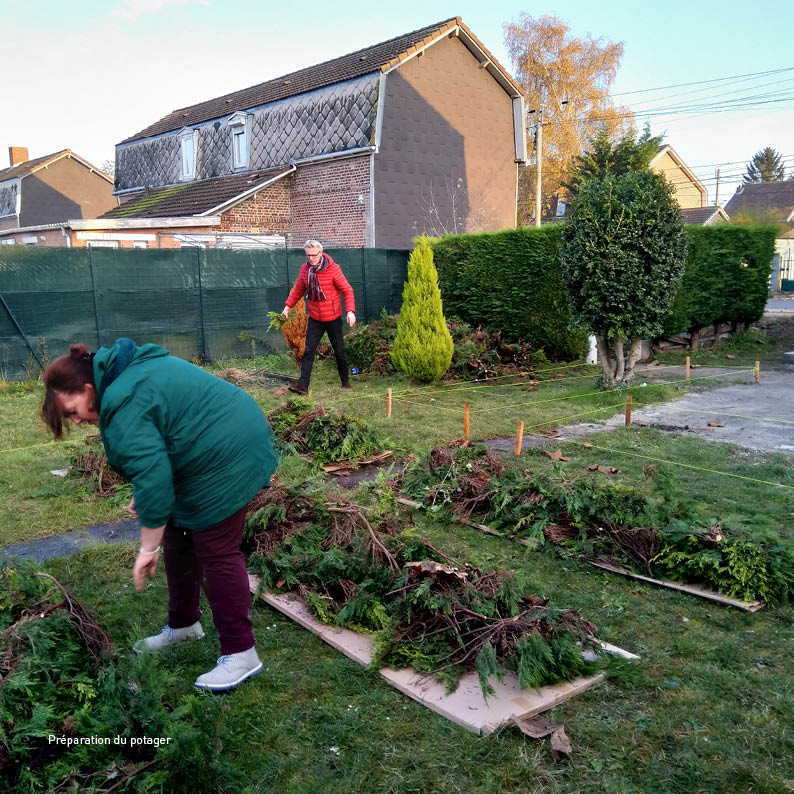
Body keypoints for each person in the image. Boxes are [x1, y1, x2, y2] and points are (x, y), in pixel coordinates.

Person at [41, 338, 278, 692]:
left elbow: (153, 475)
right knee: (179, 534)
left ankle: (241, 653)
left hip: (229, 449)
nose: (77, 419)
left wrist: (146, 550)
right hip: (206, 442)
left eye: (73, 409)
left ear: (88, 388)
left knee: (216, 549)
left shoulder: (123, 402)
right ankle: (184, 625)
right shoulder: (122, 379)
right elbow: (155, 456)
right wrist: (148, 493)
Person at [281, 240, 356, 394]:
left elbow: (347, 291)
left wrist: (350, 311)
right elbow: (298, 291)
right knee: (308, 351)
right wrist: (287, 308)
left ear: (321, 253)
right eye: (308, 256)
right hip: (315, 318)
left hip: (333, 318)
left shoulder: (333, 269)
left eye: (314, 255)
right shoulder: (305, 270)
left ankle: (345, 381)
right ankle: (303, 386)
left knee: (339, 351)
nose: (311, 259)